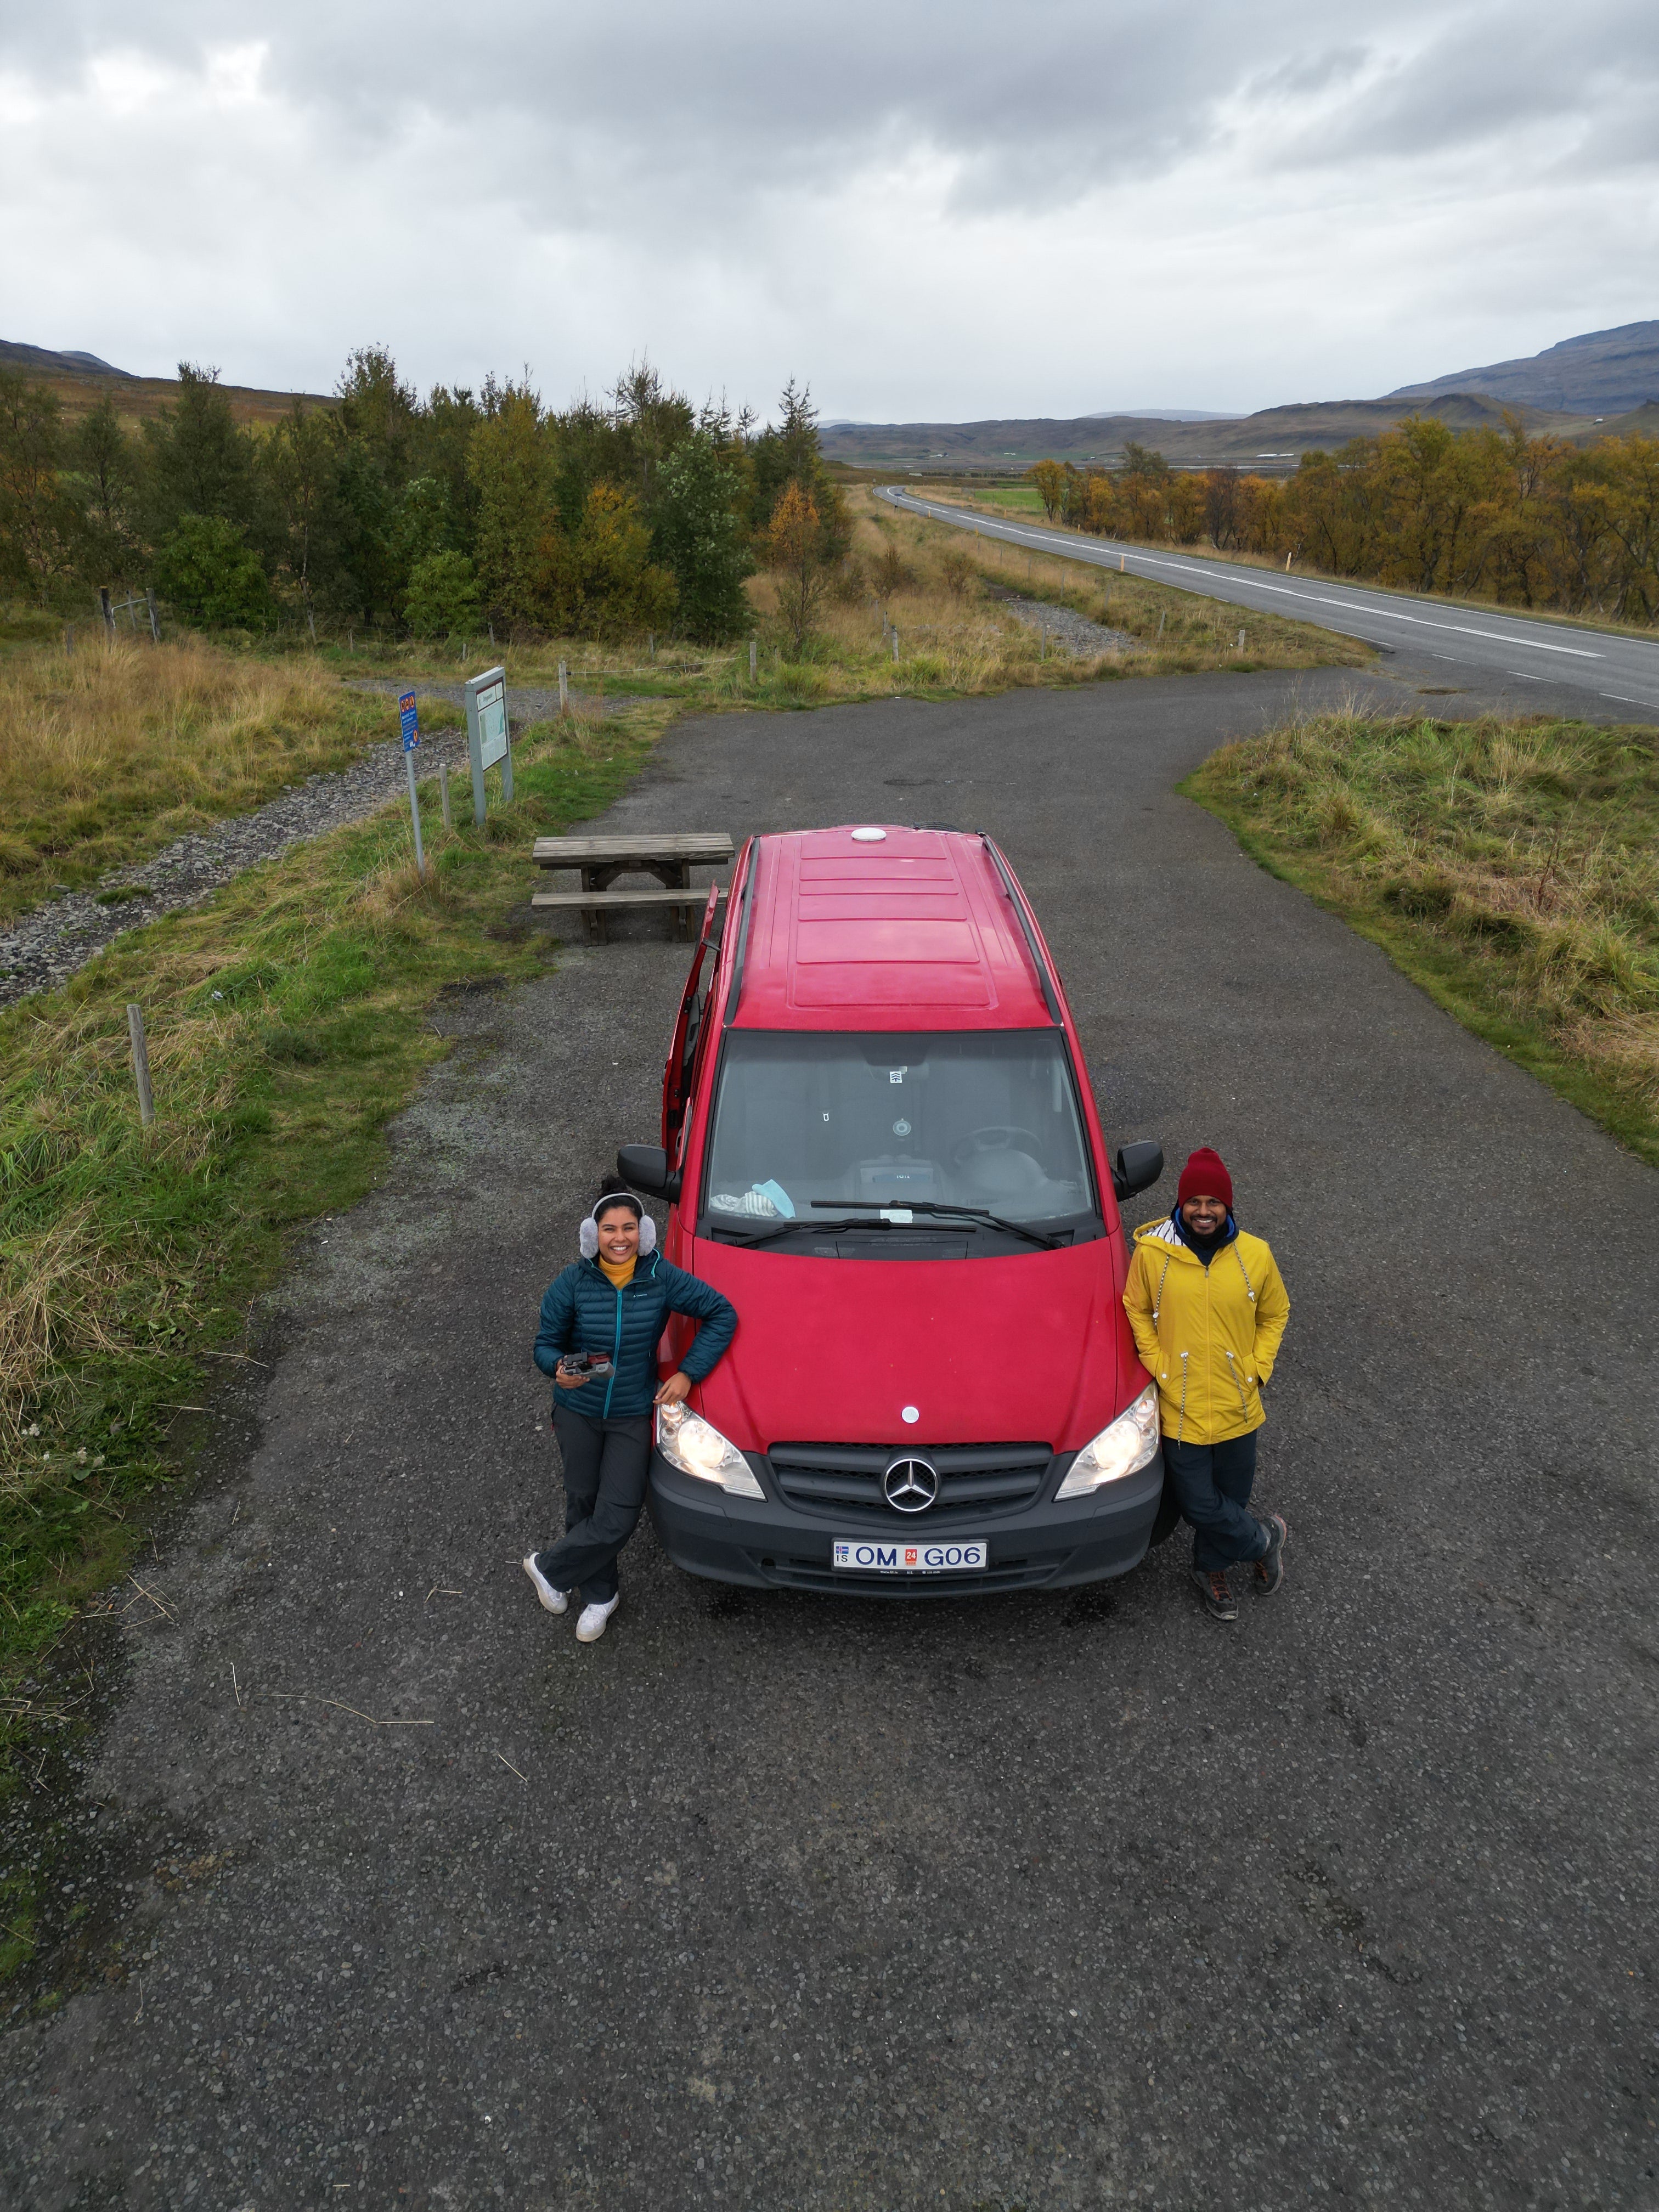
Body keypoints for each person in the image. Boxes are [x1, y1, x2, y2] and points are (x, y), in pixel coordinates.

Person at [523, 1176, 737, 1643]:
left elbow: (722, 1313)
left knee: (619, 1511)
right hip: (576, 1409)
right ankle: (601, 1597)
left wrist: (687, 1373)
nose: (620, 1238)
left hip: (629, 1414)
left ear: (644, 1233)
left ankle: (550, 1567)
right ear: (591, 1235)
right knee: (582, 1501)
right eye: (609, 1229)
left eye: (629, 1228)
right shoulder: (572, 1282)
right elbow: (544, 1345)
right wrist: (557, 1368)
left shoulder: (661, 1277)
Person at [1123, 1146, 1291, 1624]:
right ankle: (1264, 1540)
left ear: (1228, 1207)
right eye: (1193, 1201)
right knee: (1199, 1503)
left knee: (1231, 1498)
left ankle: (1209, 1570)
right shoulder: (1154, 1255)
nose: (1202, 1211)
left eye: (1212, 1203)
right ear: (1180, 1205)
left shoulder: (1255, 1255)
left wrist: (1258, 1367)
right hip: (1181, 1405)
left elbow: (1275, 1313)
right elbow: (1135, 1307)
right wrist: (1157, 1362)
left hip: (1240, 1405)